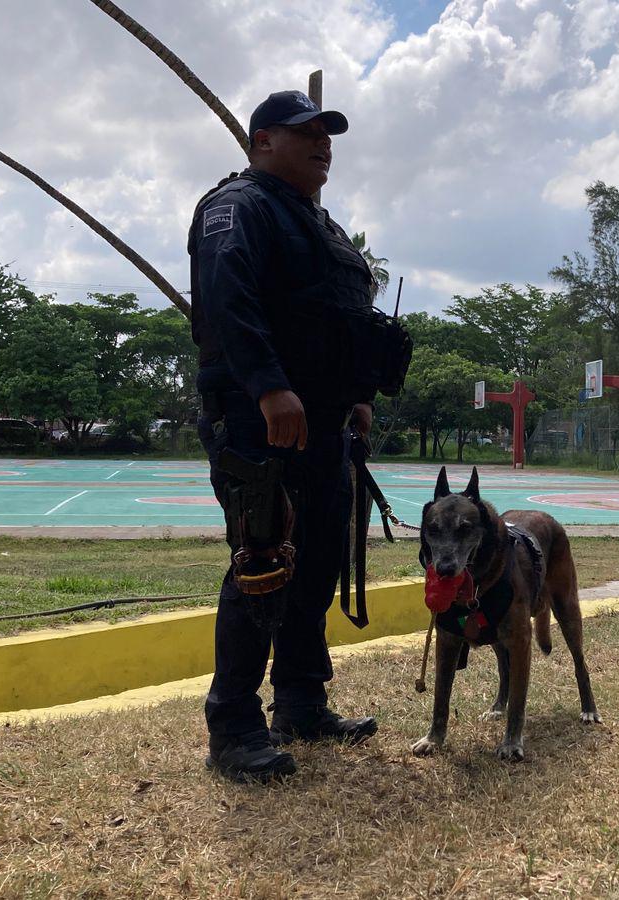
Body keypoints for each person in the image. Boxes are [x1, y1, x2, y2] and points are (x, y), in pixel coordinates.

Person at [189, 90, 385, 784]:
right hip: (258, 418)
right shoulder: (236, 208)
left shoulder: (323, 226)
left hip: (327, 426)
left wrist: (359, 396)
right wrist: (269, 386)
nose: (323, 143)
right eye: (307, 132)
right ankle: (234, 728)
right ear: (262, 140)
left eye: (328, 134)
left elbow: (346, 318)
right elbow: (227, 295)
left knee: (319, 563)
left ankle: (301, 703)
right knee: (262, 562)